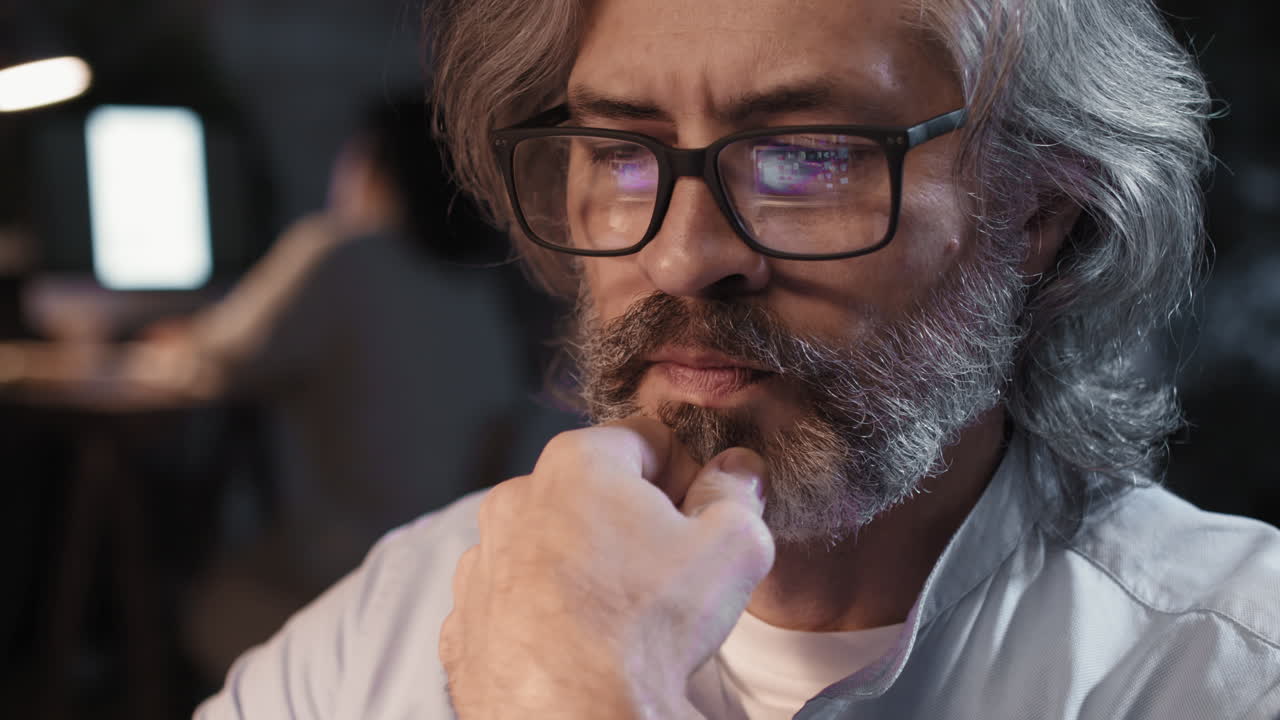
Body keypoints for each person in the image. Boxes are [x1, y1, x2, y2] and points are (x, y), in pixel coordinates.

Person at [196, 0, 1280, 718]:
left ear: (1036, 212)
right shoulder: (388, 622)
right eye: (621, 152)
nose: (681, 257)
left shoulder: (1225, 667)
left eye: (807, 157)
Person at [128, 97, 562, 683]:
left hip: (340, 567)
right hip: (446, 569)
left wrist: (161, 340)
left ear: (373, 166)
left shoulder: (342, 254)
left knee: (180, 583)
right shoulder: (477, 287)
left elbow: (217, 361)